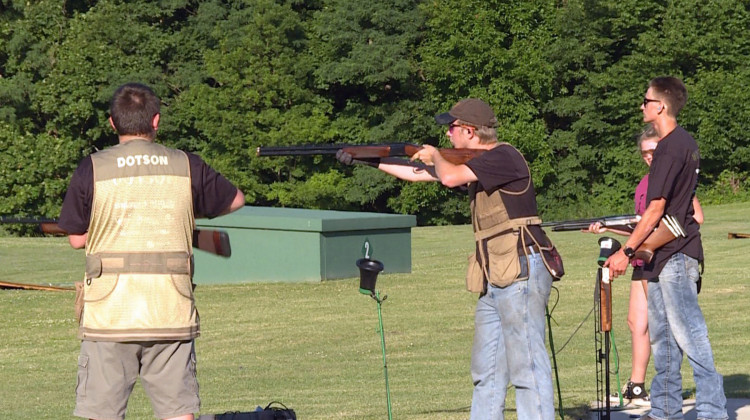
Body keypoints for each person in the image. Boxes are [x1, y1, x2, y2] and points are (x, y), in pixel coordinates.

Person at [337, 98, 558, 420]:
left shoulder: (503, 156)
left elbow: (449, 177)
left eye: (452, 129)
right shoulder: (476, 162)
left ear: (469, 131)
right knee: (486, 370)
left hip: (520, 269)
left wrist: (437, 156)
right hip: (496, 273)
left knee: (527, 365)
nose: (448, 135)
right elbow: (416, 173)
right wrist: (365, 159)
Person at [58, 83, 245, 420]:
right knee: (178, 413)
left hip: (110, 314)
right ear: (156, 121)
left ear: (113, 124)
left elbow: (75, 238)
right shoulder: (185, 164)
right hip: (169, 309)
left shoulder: (93, 167)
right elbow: (236, 199)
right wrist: (182, 217)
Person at [604, 77, 727, 420]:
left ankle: (712, 411)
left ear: (660, 106)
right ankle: (665, 409)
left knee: (689, 333)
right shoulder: (677, 144)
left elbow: (656, 209)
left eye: (645, 101)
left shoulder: (672, 147)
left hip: (676, 253)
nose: (641, 106)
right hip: (662, 256)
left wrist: (625, 252)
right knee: (663, 339)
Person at [587, 124, 704, 408]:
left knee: (672, 329)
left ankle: (671, 394)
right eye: (644, 153)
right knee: (635, 323)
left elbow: (695, 217)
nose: (649, 157)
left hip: (665, 259)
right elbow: (640, 229)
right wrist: (608, 228)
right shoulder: (645, 184)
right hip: (641, 257)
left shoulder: (670, 181)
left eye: (653, 151)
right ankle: (636, 385)